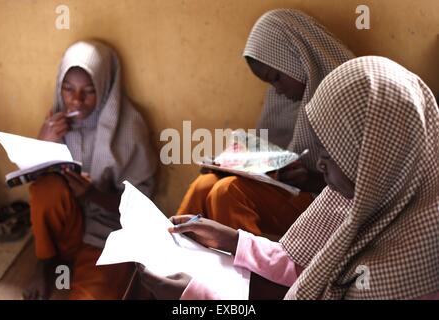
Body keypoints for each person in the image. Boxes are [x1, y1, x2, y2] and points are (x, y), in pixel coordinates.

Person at [138, 56, 439, 300]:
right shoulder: (370, 197)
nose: (319, 165)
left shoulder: (408, 268)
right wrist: (232, 240)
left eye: (331, 155)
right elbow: (308, 265)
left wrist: (201, 298)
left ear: (373, 161)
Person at [177, 9, 355, 237]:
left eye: (277, 77)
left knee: (227, 191)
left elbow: (362, 188)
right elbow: (270, 158)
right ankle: (162, 256)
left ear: (298, 59)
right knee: (205, 184)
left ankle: (249, 271)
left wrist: (310, 179)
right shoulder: (283, 100)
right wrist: (234, 165)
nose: (278, 90)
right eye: (270, 83)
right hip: (289, 195)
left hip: (325, 205)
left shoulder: (347, 95)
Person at [23, 40, 157, 300]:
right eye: (68, 89)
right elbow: (33, 184)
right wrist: (43, 141)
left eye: (89, 91)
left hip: (107, 234)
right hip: (68, 230)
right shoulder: (57, 122)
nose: (76, 101)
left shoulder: (129, 127)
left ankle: (99, 274)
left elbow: (142, 209)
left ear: (106, 87)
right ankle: (45, 263)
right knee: (45, 190)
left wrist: (92, 194)